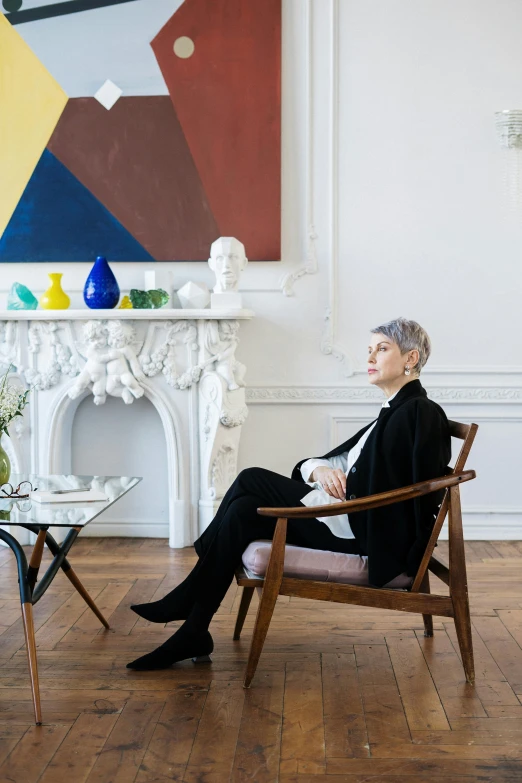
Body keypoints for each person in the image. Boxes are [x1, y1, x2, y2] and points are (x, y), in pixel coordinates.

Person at [127, 317, 451, 670]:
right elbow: (337, 463)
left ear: (411, 358)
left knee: (251, 478)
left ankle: (189, 593)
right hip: (345, 517)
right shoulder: (393, 412)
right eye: (369, 350)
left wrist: (345, 488)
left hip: (363, 532)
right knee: (243, 510)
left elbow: (409, 491)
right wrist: (320, 470)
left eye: (382, 349)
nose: (370, 357)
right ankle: (194, 628)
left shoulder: (420, 412)